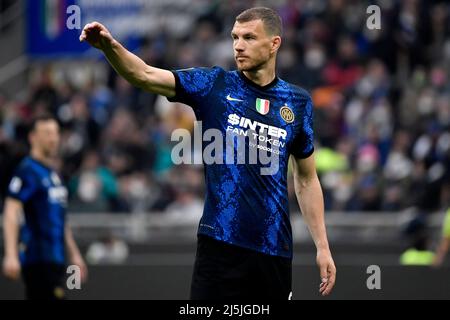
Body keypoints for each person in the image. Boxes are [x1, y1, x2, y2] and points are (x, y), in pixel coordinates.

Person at [80, 7, 336, 299]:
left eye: (249, 37)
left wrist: (323, 247)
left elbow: (306, 180)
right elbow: (145, 75)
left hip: (273, 249)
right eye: (235, 37)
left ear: (274, 43)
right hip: (220, 246)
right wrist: (110, 47)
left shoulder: (297, 103)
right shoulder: (214, 84)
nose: (238, 45)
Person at [2, 115, 87, 300]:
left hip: (56, 259)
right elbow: (11, 210)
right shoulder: (27, 171)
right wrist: (11, 254)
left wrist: (74, 254)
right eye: (47, 133)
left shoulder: (53, 175)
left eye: (56, 133)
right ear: (33, 137)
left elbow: (60, 219)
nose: (53, 138)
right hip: (38, 258)